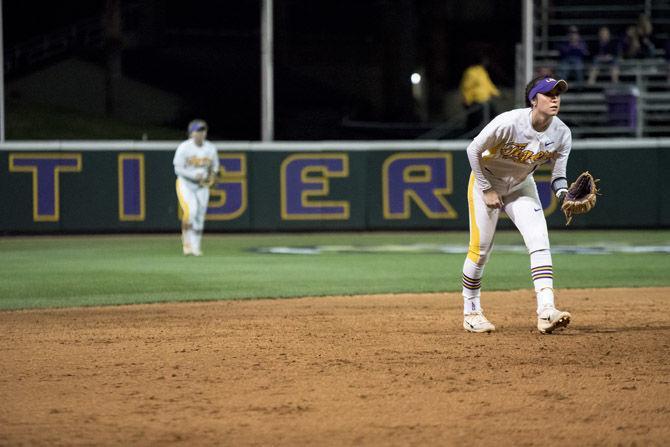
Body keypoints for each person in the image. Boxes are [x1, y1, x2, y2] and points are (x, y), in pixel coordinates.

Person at [461, 76, 573, 334]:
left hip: (521, 185)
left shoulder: (562, 133)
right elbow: (473, 150)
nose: (555, 98)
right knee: (480, 252)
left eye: (558, 93)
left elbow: (558, 176)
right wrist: (487, 189)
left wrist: (564, 195)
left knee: (539, 240)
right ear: (534, 99)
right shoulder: (510, 122)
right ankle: (471, 312)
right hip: (485, 182)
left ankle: (546, 312)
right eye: (548, 93)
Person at [173, 119, 220, 256]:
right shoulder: (184, 147)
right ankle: (186, 243)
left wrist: (213, 176)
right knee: (191, 211)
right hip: (185, 184)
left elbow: (215, 167)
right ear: (191, 133)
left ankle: (196, 246)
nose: (201, 133)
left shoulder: (210, 148)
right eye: (198, 131)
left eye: (203, 130)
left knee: (199, 217)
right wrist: (194, 176)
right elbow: (177, 169)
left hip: (202, 186)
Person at [459, 56, 501, 136]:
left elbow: (488, 85)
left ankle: (489, 135)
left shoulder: (482, 71)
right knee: (475, 119)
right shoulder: (471, 72)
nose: (487, 63)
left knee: (492, 115)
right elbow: (466, 86)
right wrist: (465, 98)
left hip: (484, 99)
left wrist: (496, 93)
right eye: (485, 61)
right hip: (474, 100)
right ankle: (470, 136)